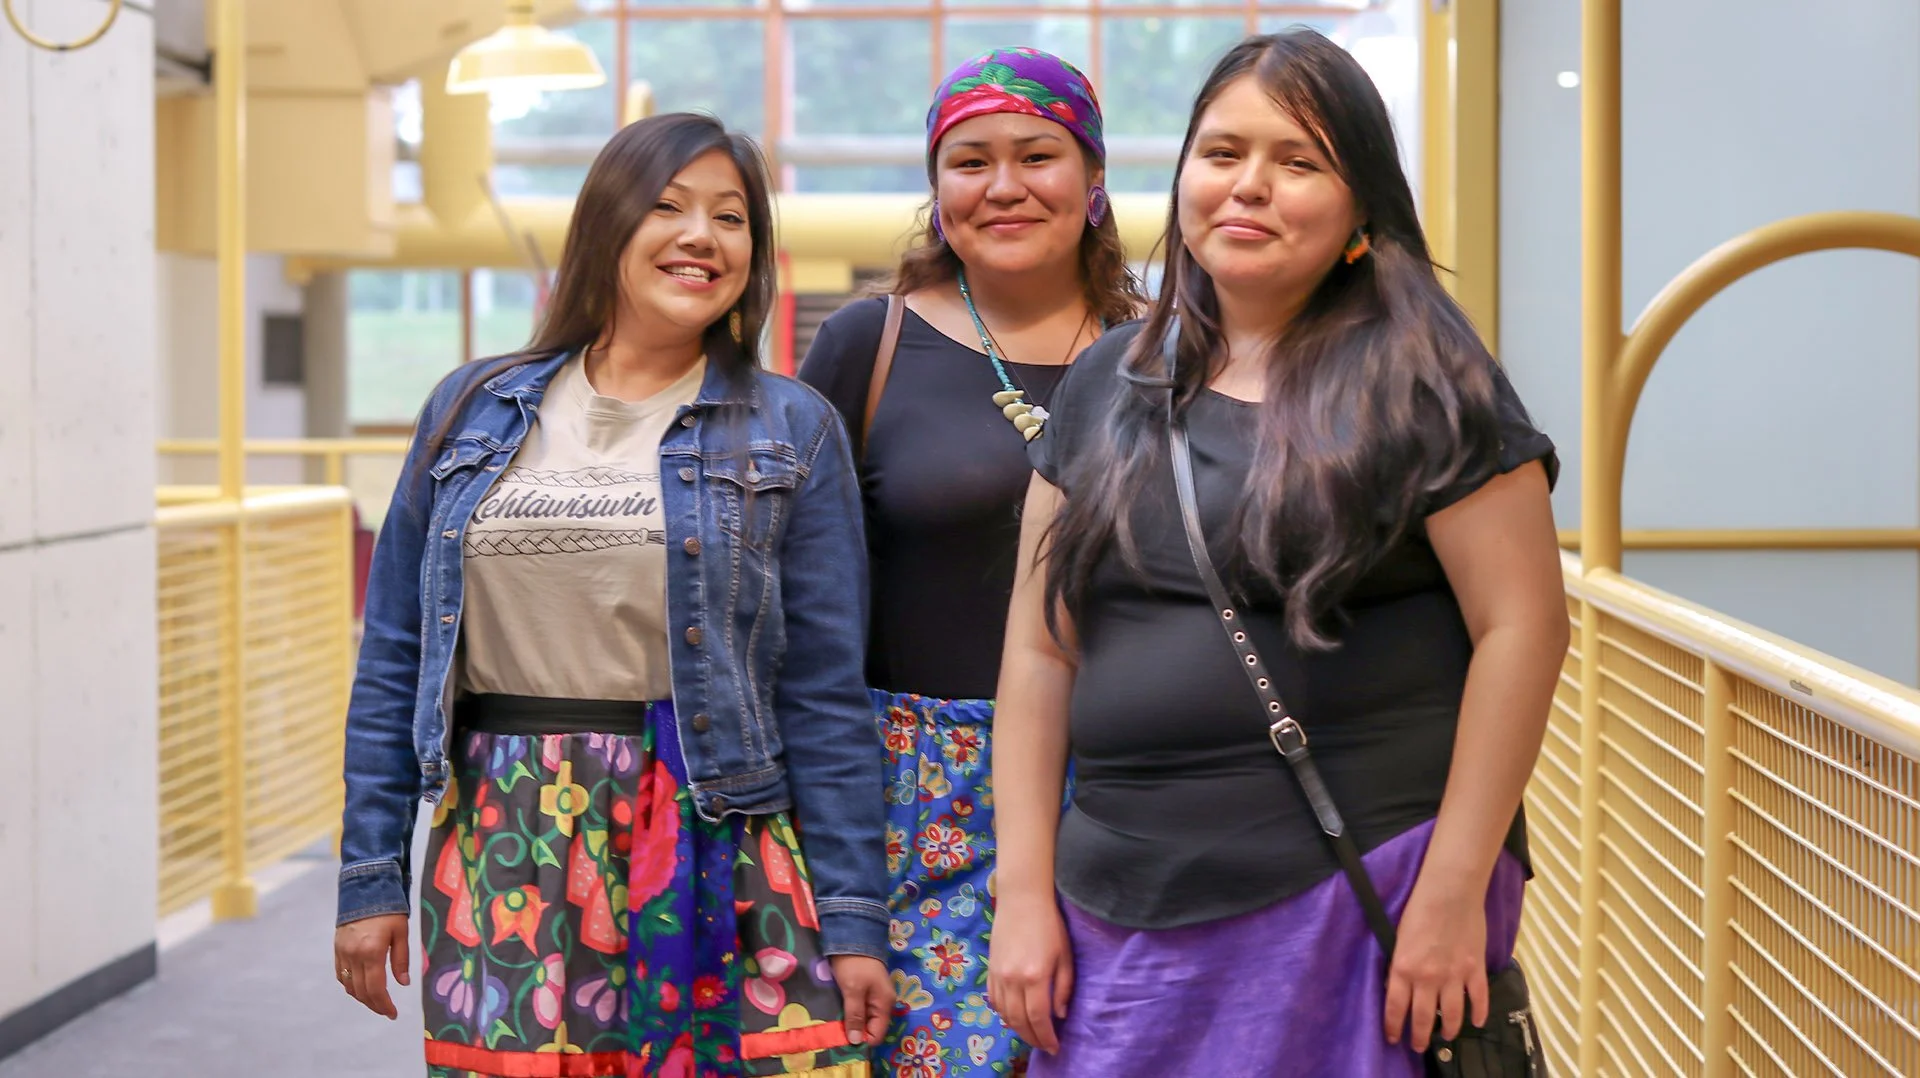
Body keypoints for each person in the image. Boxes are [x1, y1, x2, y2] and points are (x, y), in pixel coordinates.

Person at [987, 30, 1567, 1076]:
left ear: (1361, 209)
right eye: (1222, 153)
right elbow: (1039, 652)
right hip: (1116, 894)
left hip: (1359, 885)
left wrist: (1452, 889)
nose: (1249, 185)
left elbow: (1522, 628)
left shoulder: (1428, 382)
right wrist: (1022, 890)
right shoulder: (1103, 383)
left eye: (1298, 162)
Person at [332, 112, 892, 1077]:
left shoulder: (791, 426)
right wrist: (369, 876)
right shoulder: (471, 408)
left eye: (731, 217)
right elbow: (394, 655)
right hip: (503, 833)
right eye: (668, 207)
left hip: (716, 826)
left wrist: (852, 919)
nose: (701, 237)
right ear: (607, 225)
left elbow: (824, 693)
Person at [798, 47, 1143, 1078]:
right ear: (937, 190)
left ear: (1093, 180)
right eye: (970, 161)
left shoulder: (1166, 355)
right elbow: (796, 597)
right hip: (911, 800)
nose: (1004, 186)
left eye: (1037, 155)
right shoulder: (868, 345)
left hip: (1121, 790)